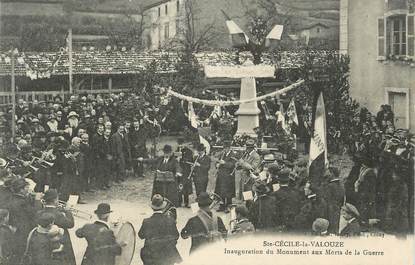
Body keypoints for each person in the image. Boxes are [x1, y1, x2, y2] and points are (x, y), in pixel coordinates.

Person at [138, 194, 182, 265]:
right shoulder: (170, 220)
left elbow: (140, 235)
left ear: (152, 207)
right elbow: (176, 236)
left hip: (151, 256)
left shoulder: (146, 221)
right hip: (167, 255)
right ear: (163, 207)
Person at [37, 189, 76, 265]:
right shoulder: (58, 214)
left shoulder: (40, 212)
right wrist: (68, 211)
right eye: (57, 199)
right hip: (59, 241)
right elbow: (70, 224)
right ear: (55, 200)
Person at [214, 140, 236, 213]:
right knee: (221, 191)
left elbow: (232, 165)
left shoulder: (233, 155)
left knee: (228, 192)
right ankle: (222, 205)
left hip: (229, 177)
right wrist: (216, 165)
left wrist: (224, 163)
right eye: (224, 148)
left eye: (226, 148)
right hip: (221, 176)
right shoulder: (222, 154)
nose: (225, 150)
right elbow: (217, 161)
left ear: (229, 148)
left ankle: (228, 206)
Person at [176, 138, 194, 208]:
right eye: (179, 144)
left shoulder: (189, 151)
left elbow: (190, 161)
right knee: (179, 186)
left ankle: (186, 202)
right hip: (179, 171)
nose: (180, 146)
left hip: (186, 171)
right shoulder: (177, 150)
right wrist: (176, 159)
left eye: (181, 144)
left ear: (184, 144)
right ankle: (179, 202)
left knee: (186, 187)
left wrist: (182, 159)